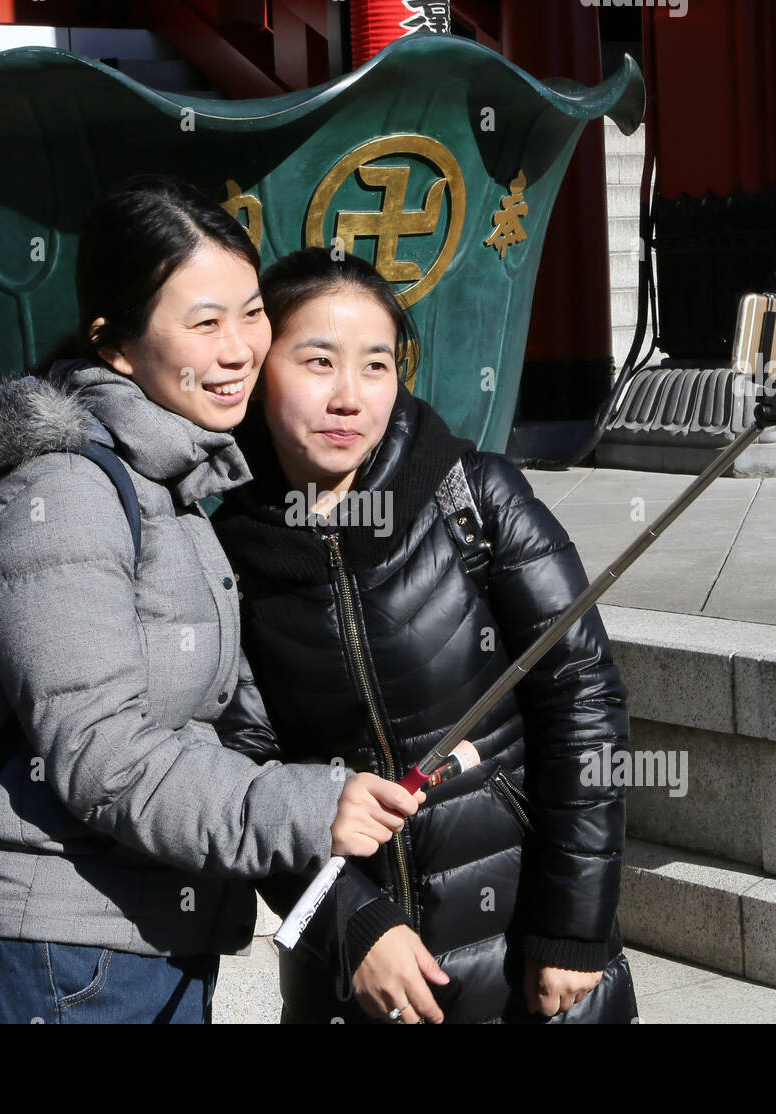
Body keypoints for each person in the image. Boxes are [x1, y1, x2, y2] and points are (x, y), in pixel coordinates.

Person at [0, 179, 420, 1024]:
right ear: (115, 346)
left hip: (139, 939)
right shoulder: (65, 491)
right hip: (56, 958)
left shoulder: (164, 478)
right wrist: (307, 805)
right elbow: (104, 758)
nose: (239, 350)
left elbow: (219, 716)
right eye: (202, 323)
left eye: (251, 312)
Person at [212, 248, 636, 1024]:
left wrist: (573, 929)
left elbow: (583, 699)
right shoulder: (223, 551)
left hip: (527, 962)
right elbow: (246, 774)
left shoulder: (474, 497)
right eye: (317, 362)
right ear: (260, 368)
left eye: (376, 366)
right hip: (356, 984)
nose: (349, 397)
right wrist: (351, 924)